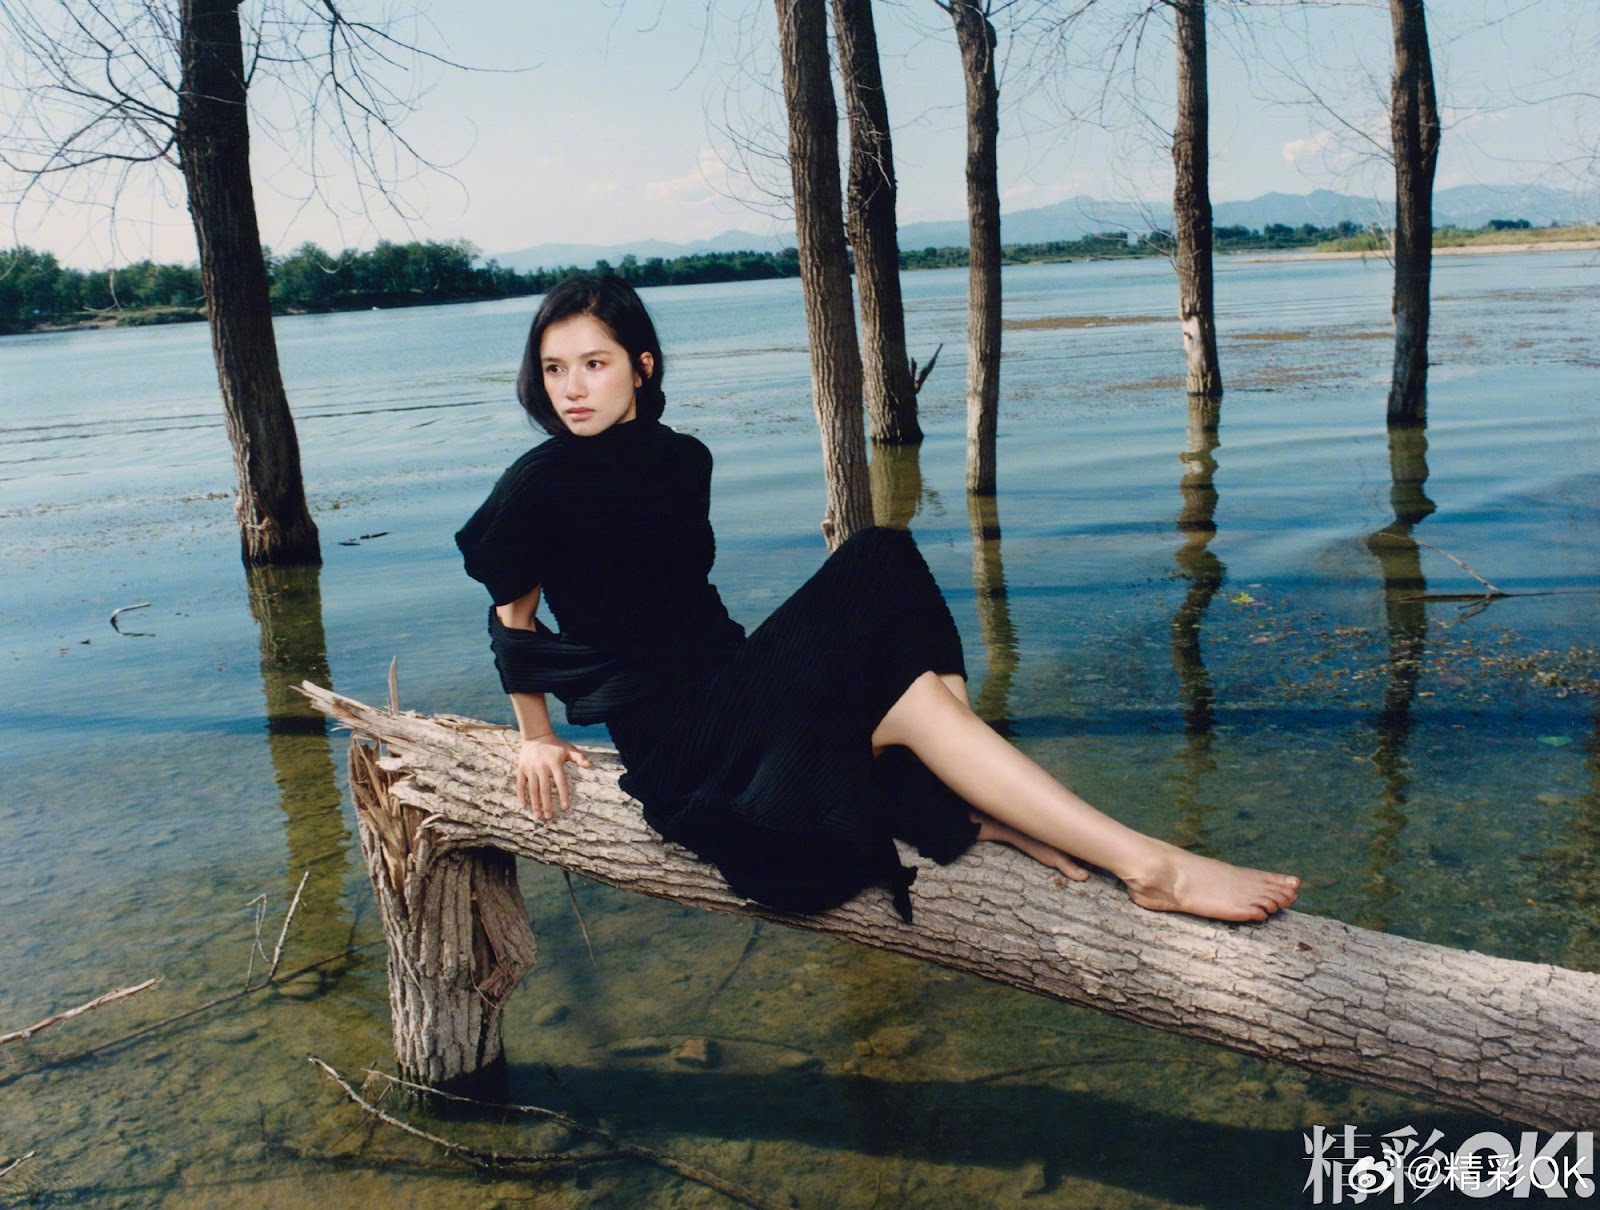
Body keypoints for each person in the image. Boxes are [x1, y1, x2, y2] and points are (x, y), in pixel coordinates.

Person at [457, 275, 1299, 925]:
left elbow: (682, 604)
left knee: (894, 593)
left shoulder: (683, 460)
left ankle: (1000, 808)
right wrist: (536, 739)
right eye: (555, 369)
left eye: (595, 364)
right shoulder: (539, 483)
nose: (573, 388)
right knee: (875, 564)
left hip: (737, 688)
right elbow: (514, 622)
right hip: (685, 750)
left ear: (641, 367)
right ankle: (1143, 864)